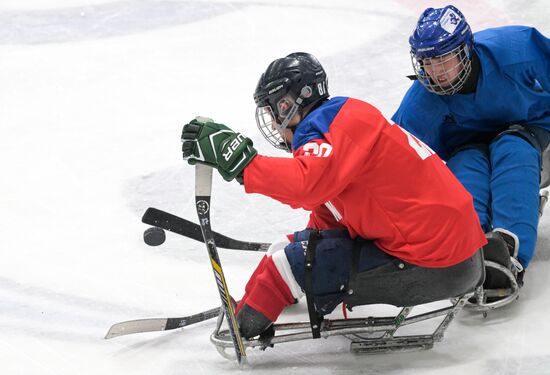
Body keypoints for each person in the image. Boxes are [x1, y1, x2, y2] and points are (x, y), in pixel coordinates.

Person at [181, 52, 487, 339]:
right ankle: (257, 302)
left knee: (285, 267)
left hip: (436, 263)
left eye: (274, 111)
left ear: (288, 104)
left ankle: (244, 325)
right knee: (289, 249)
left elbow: (306, 184)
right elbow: (333, 208)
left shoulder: (329, 125)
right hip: (454, 254)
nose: (274, 123)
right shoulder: (343, 116)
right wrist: (304, 243)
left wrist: (244, 164)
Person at [392, 5, 550, 302]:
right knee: (466, 167)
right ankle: (467, 253)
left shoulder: (518, 50)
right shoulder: (422, 102)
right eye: (426, 62)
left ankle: (508, 255)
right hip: (469, 146)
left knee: (513, 150)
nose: (434, 72)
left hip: (534, 131)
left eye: (443, 60)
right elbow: (392, 158)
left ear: (465, 50)